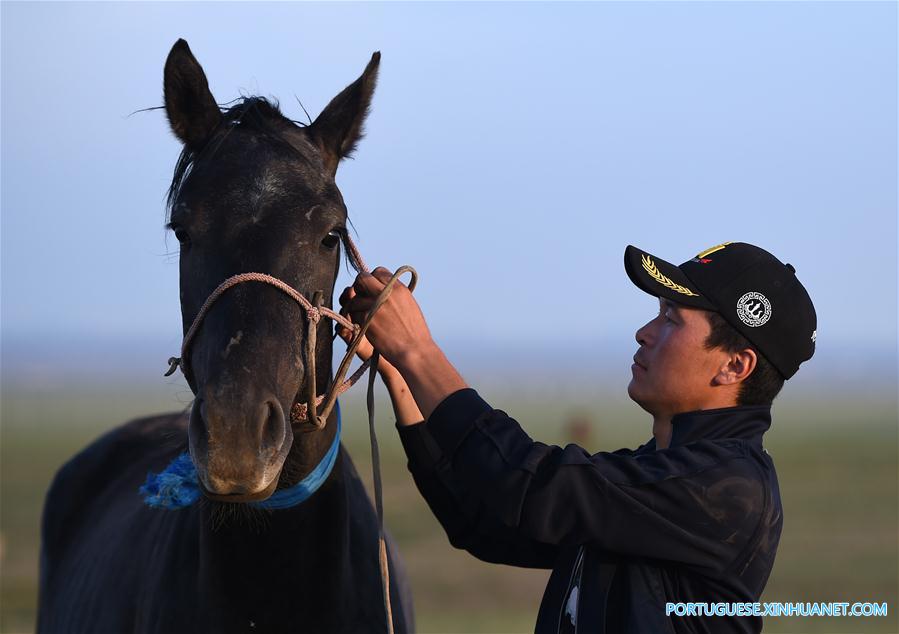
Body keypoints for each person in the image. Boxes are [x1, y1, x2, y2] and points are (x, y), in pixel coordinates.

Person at [339, 242, 816, 634]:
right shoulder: (664, 475)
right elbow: (487, 522)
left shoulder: (726, 489)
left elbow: (528, 485)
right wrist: (399, 374)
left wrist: (418, 351)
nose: (644, 332)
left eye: (672, 318)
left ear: (735, 365)